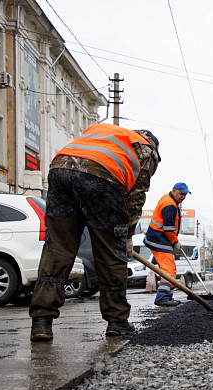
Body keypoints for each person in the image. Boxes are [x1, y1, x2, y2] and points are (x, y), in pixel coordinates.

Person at [29, 123, 161, 341]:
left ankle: (41, 322)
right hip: (101, 178)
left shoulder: (106, 133)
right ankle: (117, 322)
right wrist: (127, 235)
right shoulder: (146, 148)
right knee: (110, 252)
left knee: (57, 249)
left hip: (60, 170)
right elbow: (136, 196)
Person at [144, 183, 191, 307]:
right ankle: (163, 297)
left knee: (168, 269)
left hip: (158, 238)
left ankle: (167, 296)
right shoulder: (170, 205)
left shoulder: (168, 199)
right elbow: (169, 228)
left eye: (185, 195)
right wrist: (175, 242)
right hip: (159, 239)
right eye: (181, 194)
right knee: (169, 270)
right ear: (174, 191)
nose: (183, 197)